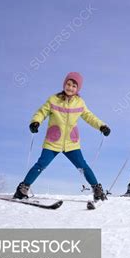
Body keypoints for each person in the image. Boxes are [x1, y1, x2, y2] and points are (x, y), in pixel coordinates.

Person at [13, 72, 110, 202]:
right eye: (68, 84)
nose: (70, 88)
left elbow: (89, 116)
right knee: (41, 164)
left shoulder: (79, 103)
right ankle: (22, 189)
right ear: (64, 84)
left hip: (71, 143)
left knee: (83, 166)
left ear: (78, 89)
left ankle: (97, 191)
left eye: (74, 86)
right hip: (53, 141)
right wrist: (35, 122)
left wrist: (101, 126)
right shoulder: (54, 99)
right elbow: (42, 112)